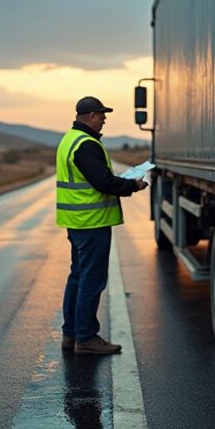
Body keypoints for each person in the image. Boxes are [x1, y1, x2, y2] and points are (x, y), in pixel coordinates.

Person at [56, 96, 147, 355]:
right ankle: (86, 338)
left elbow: (96, 178)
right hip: (91, 223)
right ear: (93, 116)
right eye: (103, 115)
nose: (105, 120)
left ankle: (71, 334)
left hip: (77, 222)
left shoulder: (69, 139)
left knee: (77, 277)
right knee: (91, 280)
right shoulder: (86, 144)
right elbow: (103, 183)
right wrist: (133, 185)